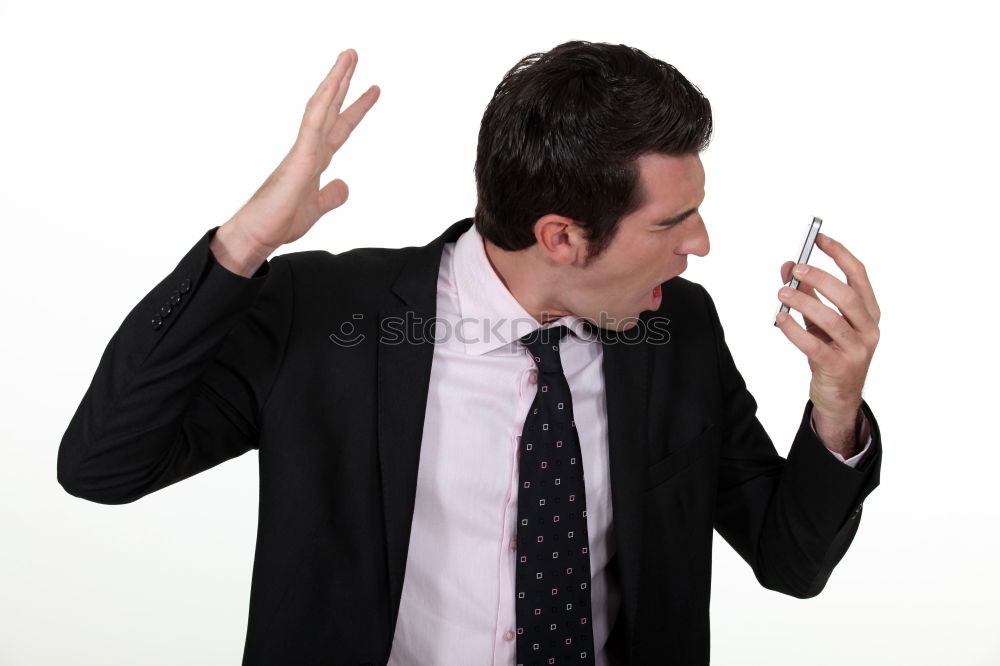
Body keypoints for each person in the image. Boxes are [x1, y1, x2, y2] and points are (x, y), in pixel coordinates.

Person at [58, 41, 882, 666]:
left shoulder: (678, 330)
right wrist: (240, 247)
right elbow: (103, 466)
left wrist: (837, 400)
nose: (700, 244)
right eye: (673, 222)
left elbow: (790, 561)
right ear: (560, 235)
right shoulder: (326, 316)